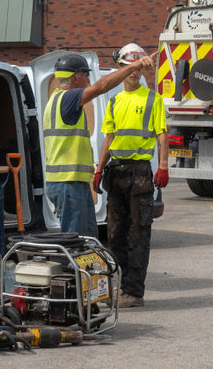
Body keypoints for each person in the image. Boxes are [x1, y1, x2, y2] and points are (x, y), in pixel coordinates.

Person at [44, 51, 152, 239]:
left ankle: (86, 268)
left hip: (68, 183)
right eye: (85, 75)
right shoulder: (68, 99)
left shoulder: (55, 99)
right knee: (76, 240)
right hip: (68, 183)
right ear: (74, 77)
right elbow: (101, 87)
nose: (87, 80)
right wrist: (133, 67)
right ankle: (72, 269)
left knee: (87, 238)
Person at [94, 43, 169, 308]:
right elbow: (109, 138)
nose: (133, 73)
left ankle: (134, 293)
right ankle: (121, 287)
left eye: (137, 67)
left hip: (139, 173)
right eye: (128, 67)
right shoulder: (114, 101)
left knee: (138, 235)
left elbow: (162, 135)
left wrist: (163, 165)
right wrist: (99, 169)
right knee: (115, 235)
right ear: (121, 68)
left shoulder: (153, 99)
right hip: (116, 172)